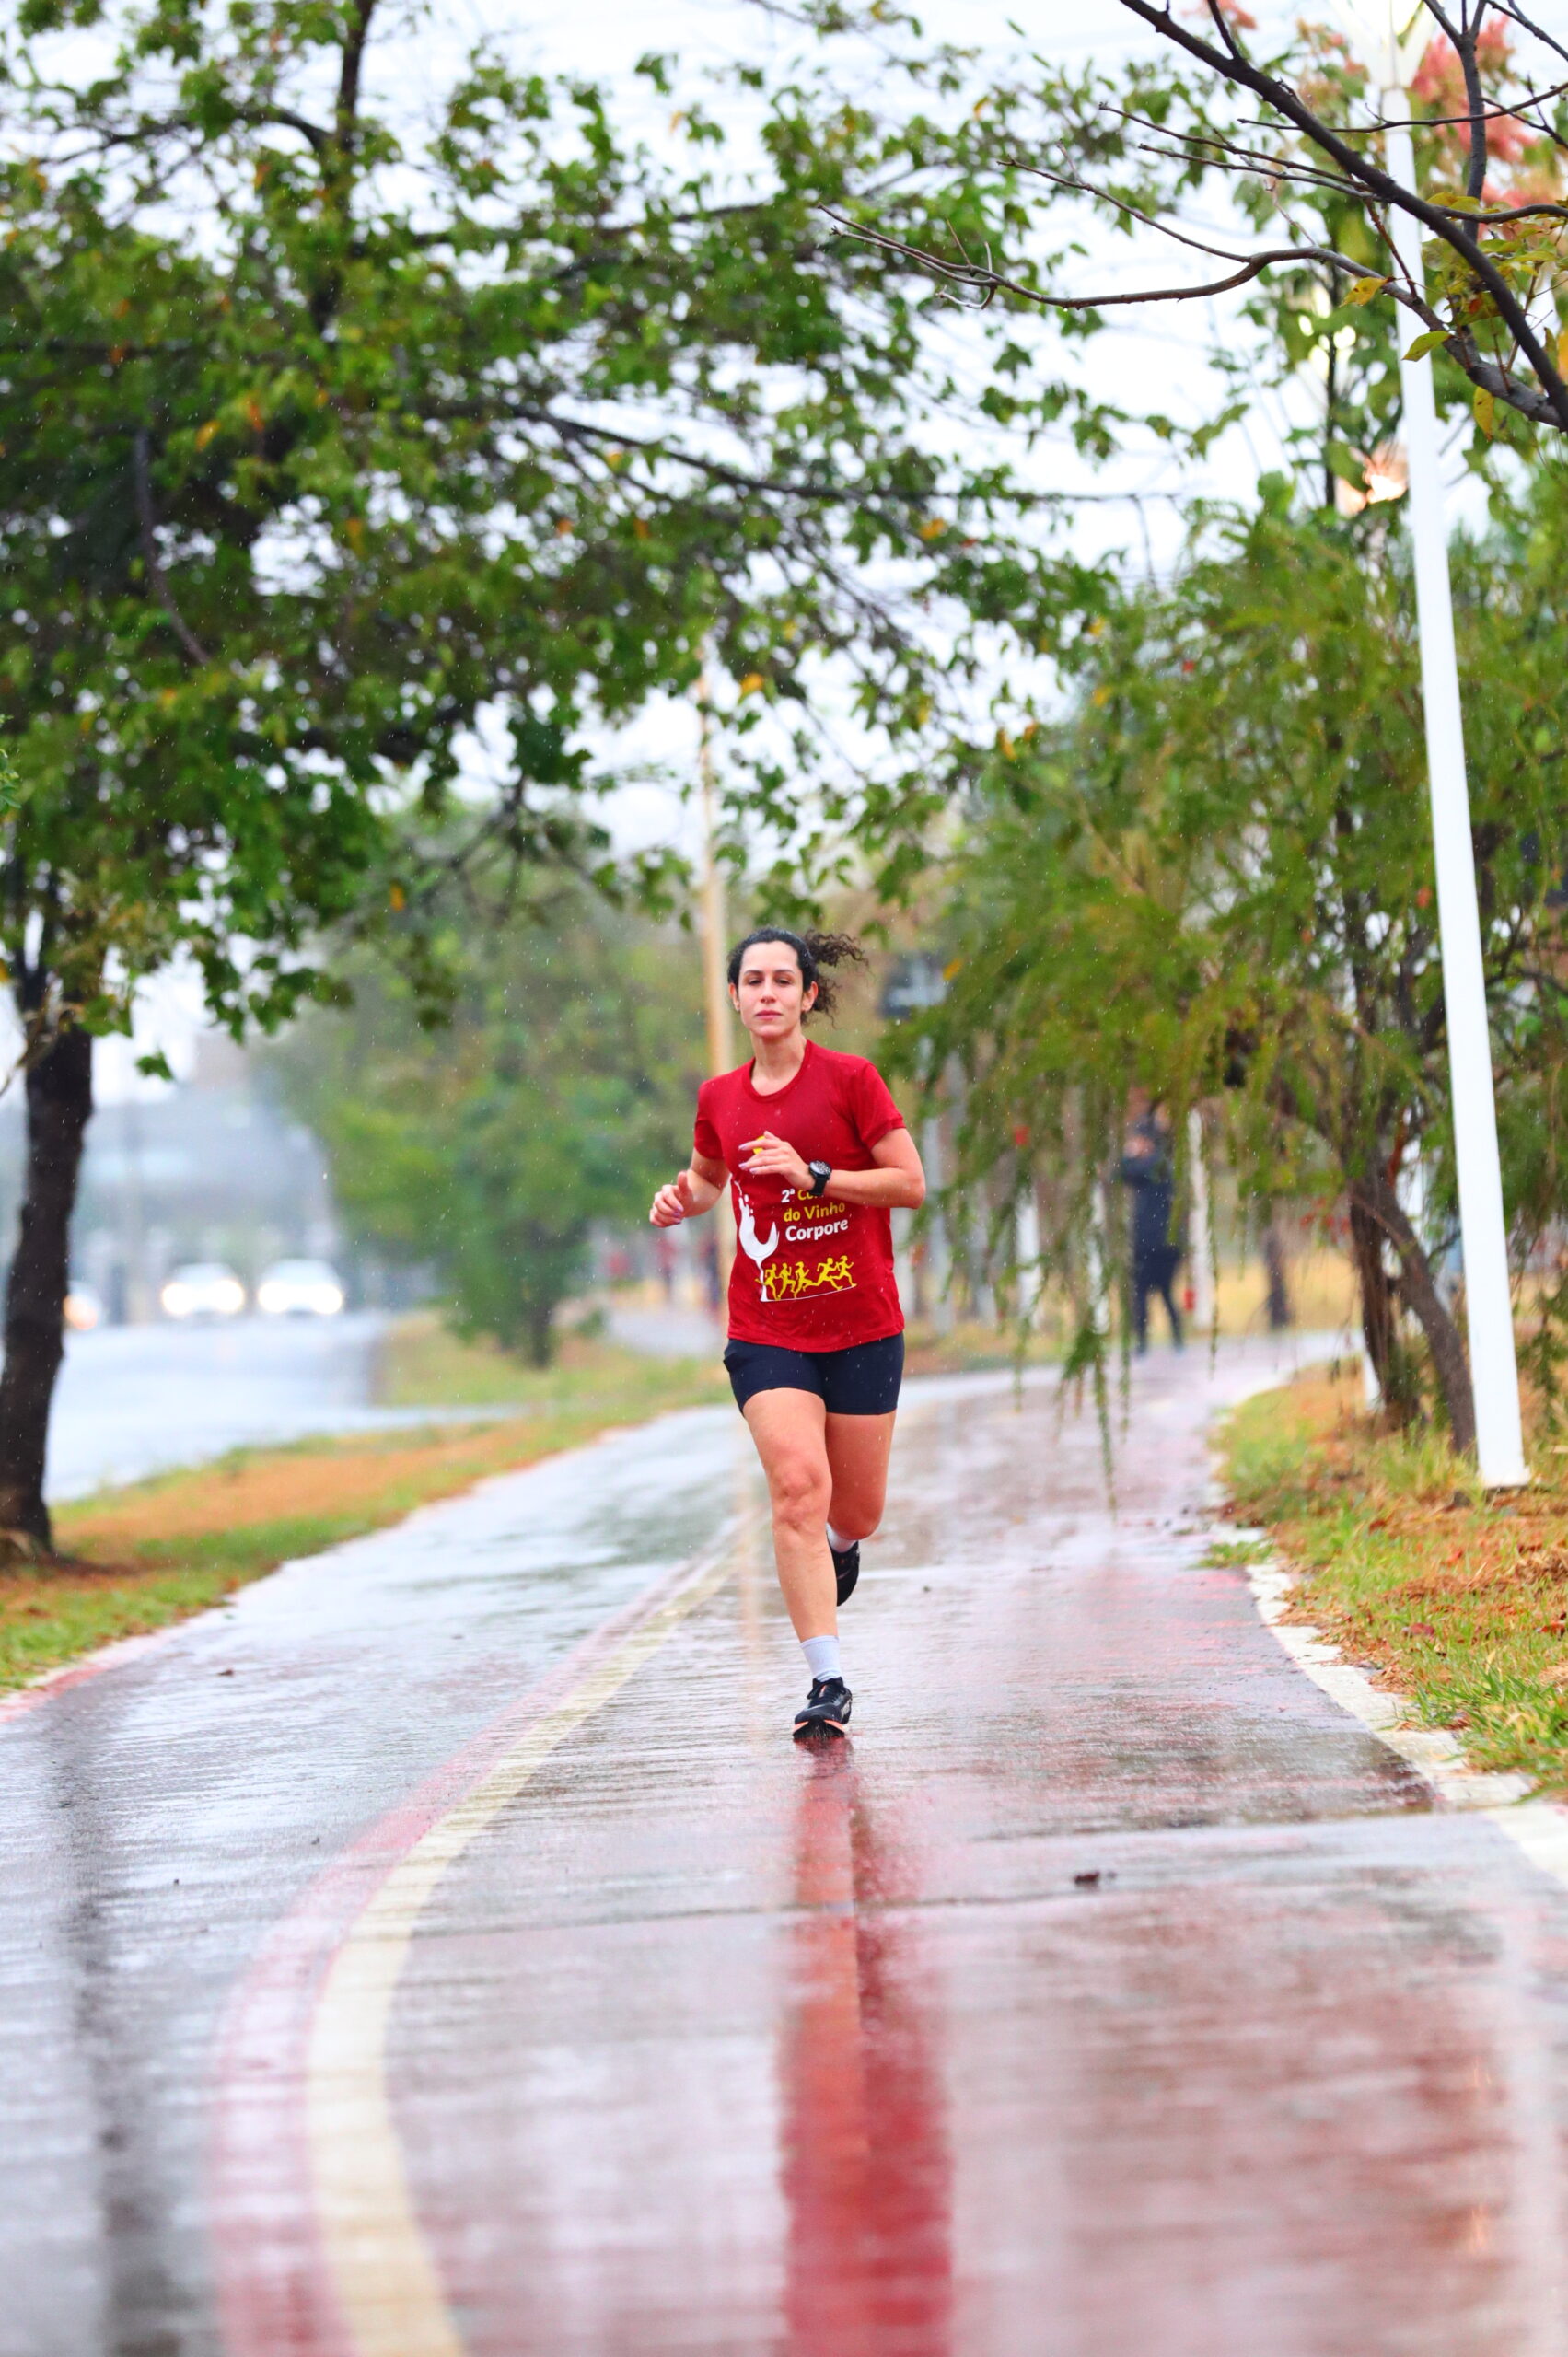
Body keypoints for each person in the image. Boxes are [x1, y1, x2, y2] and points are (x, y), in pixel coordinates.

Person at [650, 927, 925, 1739]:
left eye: (781, 980)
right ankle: (826, 1681)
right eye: (752, 981)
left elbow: (909, 1183)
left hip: (861, 1324)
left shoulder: (851, 1081)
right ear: (734, 998)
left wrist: (815, 1177)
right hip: (768, 1329)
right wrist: (680, 1199)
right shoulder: (719, 1098)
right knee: (798, 1486)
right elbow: (709, 1177)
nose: (766, 993)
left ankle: (840, 1543)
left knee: (856, 1510)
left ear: (807, 995)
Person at [1119, 1103, 1185, 1353]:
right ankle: (1146, 1342)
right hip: (1149, 1243)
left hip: (1160, 1244)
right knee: (1146, 1295)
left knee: (1160, 1293)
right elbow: (1121, 1174)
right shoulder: (1151, 1167)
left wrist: (1130, 1155)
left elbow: (1127, 1171)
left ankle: (1170, 1339)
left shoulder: (1158, 1165)